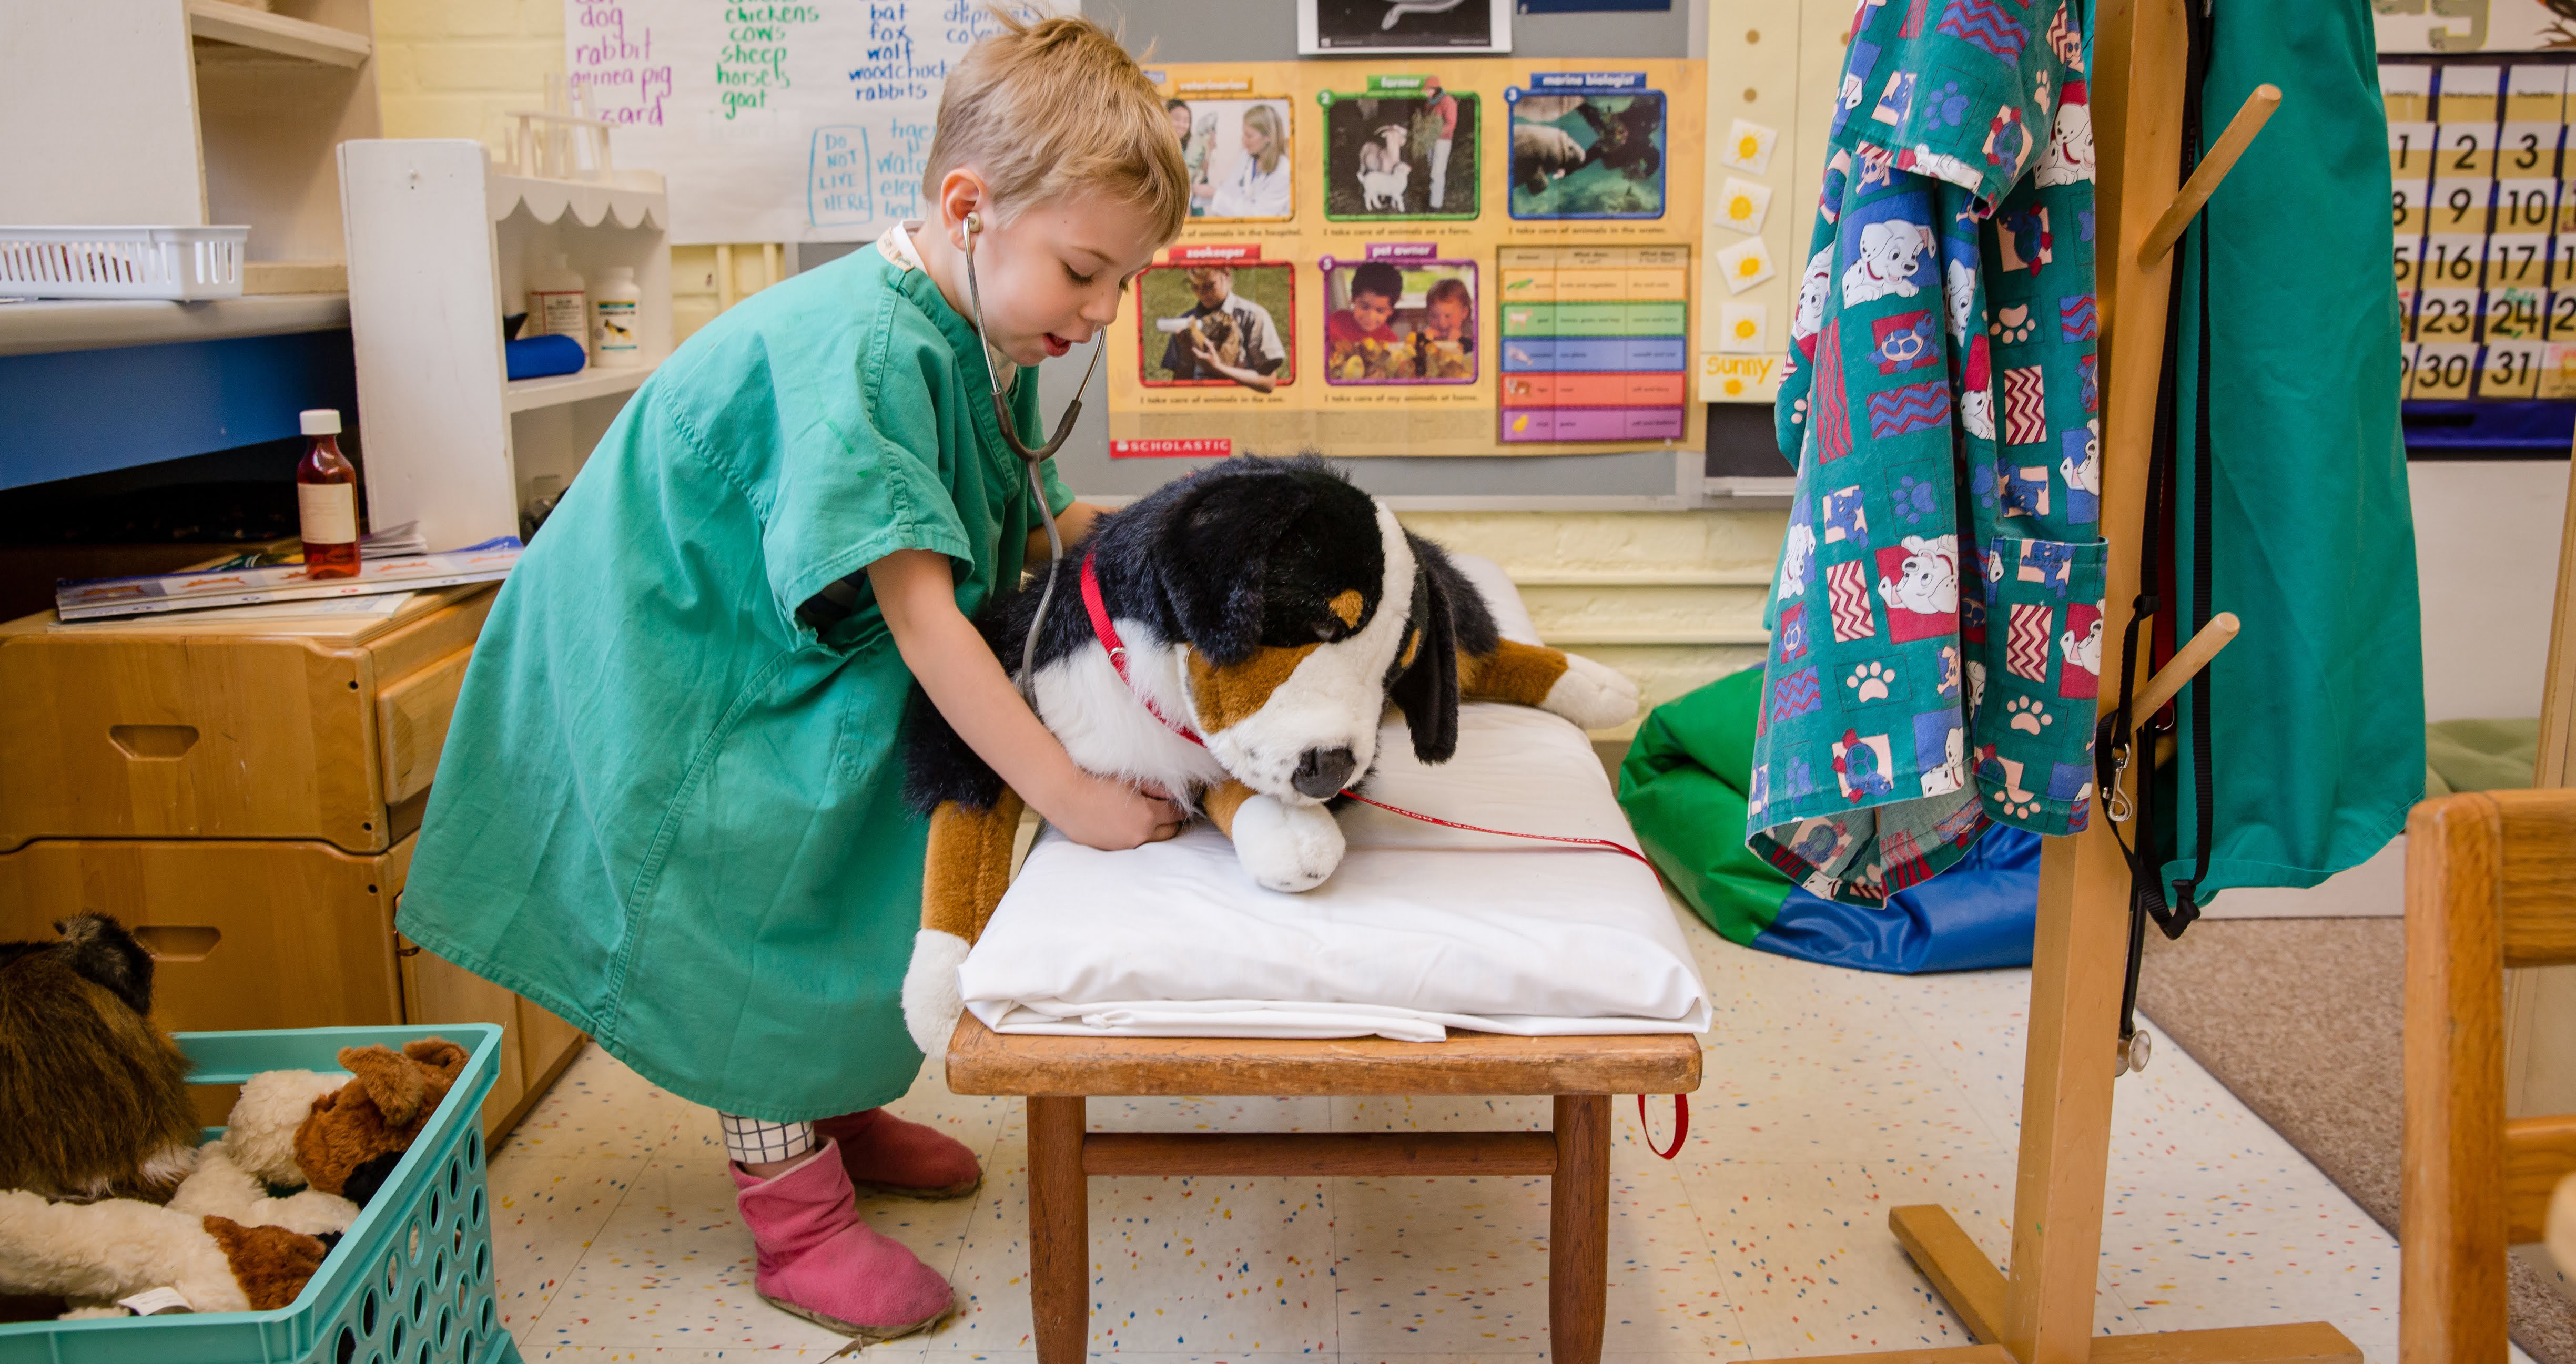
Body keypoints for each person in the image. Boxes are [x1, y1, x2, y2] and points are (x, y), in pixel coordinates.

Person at [393, 12, 1188, 1346]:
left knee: (845, 893)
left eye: (1122, 282)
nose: (1102, 311)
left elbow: (1024, 499)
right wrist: (1072, 791)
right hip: (681, 672)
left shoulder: (967, 330)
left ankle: (828, 1101)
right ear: (967, 205)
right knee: (753, 921)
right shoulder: (868, 350)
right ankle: (793, 1214)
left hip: (774, 641)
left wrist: (1174, 536)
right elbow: (930, 617)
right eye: (1084, 272)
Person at [1158, 264, 1285, 392]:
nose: (1202, 293)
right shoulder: (1187, 322)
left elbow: (1268, 383)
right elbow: (1180, 390)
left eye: (1209, 285)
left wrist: (1217, 368)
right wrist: (1187, 353)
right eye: (1195, 286)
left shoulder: (1252, 316)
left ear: (1226, 274)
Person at [1201, 102, 1292, 218]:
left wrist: (1215, 195)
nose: (1244, 140)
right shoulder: (1246, 158)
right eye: (1244, 134)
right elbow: (1229, 190)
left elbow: (1259, 215)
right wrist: (1204, 191)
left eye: (1249, 136)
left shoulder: (1283, 170)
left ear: (1268, 137)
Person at [1326, 260, 1405, 380]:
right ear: (1352, 300)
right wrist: (1331, 345)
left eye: (1380, 310)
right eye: (1364, 306)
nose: (1370, 317)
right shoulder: (1334, 323)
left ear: (1390, 311)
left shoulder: (1390, 341)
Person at [1406, 274, 1475, 379]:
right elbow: (1413, 366)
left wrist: (1453, 345)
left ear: (1464, 313)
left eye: (1448, 316)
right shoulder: (1421, 340)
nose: (1442, 323)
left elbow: (1465, 370)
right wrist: (1426, 342)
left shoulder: (1468, 344)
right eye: (1434, 316)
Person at [1421, 77, 1460, 210]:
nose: (1426, 93)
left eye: (1428, 90)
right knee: (1432, 169)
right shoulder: (1430, 102)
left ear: (1435, 89)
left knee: (1437, 172)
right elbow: (1426, 118)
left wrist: (1434, 132)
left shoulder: (1448, 102)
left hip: (1443, 141)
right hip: (1430, 141)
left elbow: (1451, 125)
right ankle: (1433, 196)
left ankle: (1435, 206)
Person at [1167, 98, 1210, 215]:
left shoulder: (1189, 149)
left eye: (1186, 121)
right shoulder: (1163, 151)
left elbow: (1201, 185)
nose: (1182, 125)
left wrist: (1204, 168)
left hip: (1194, 212)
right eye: (1177, 119)